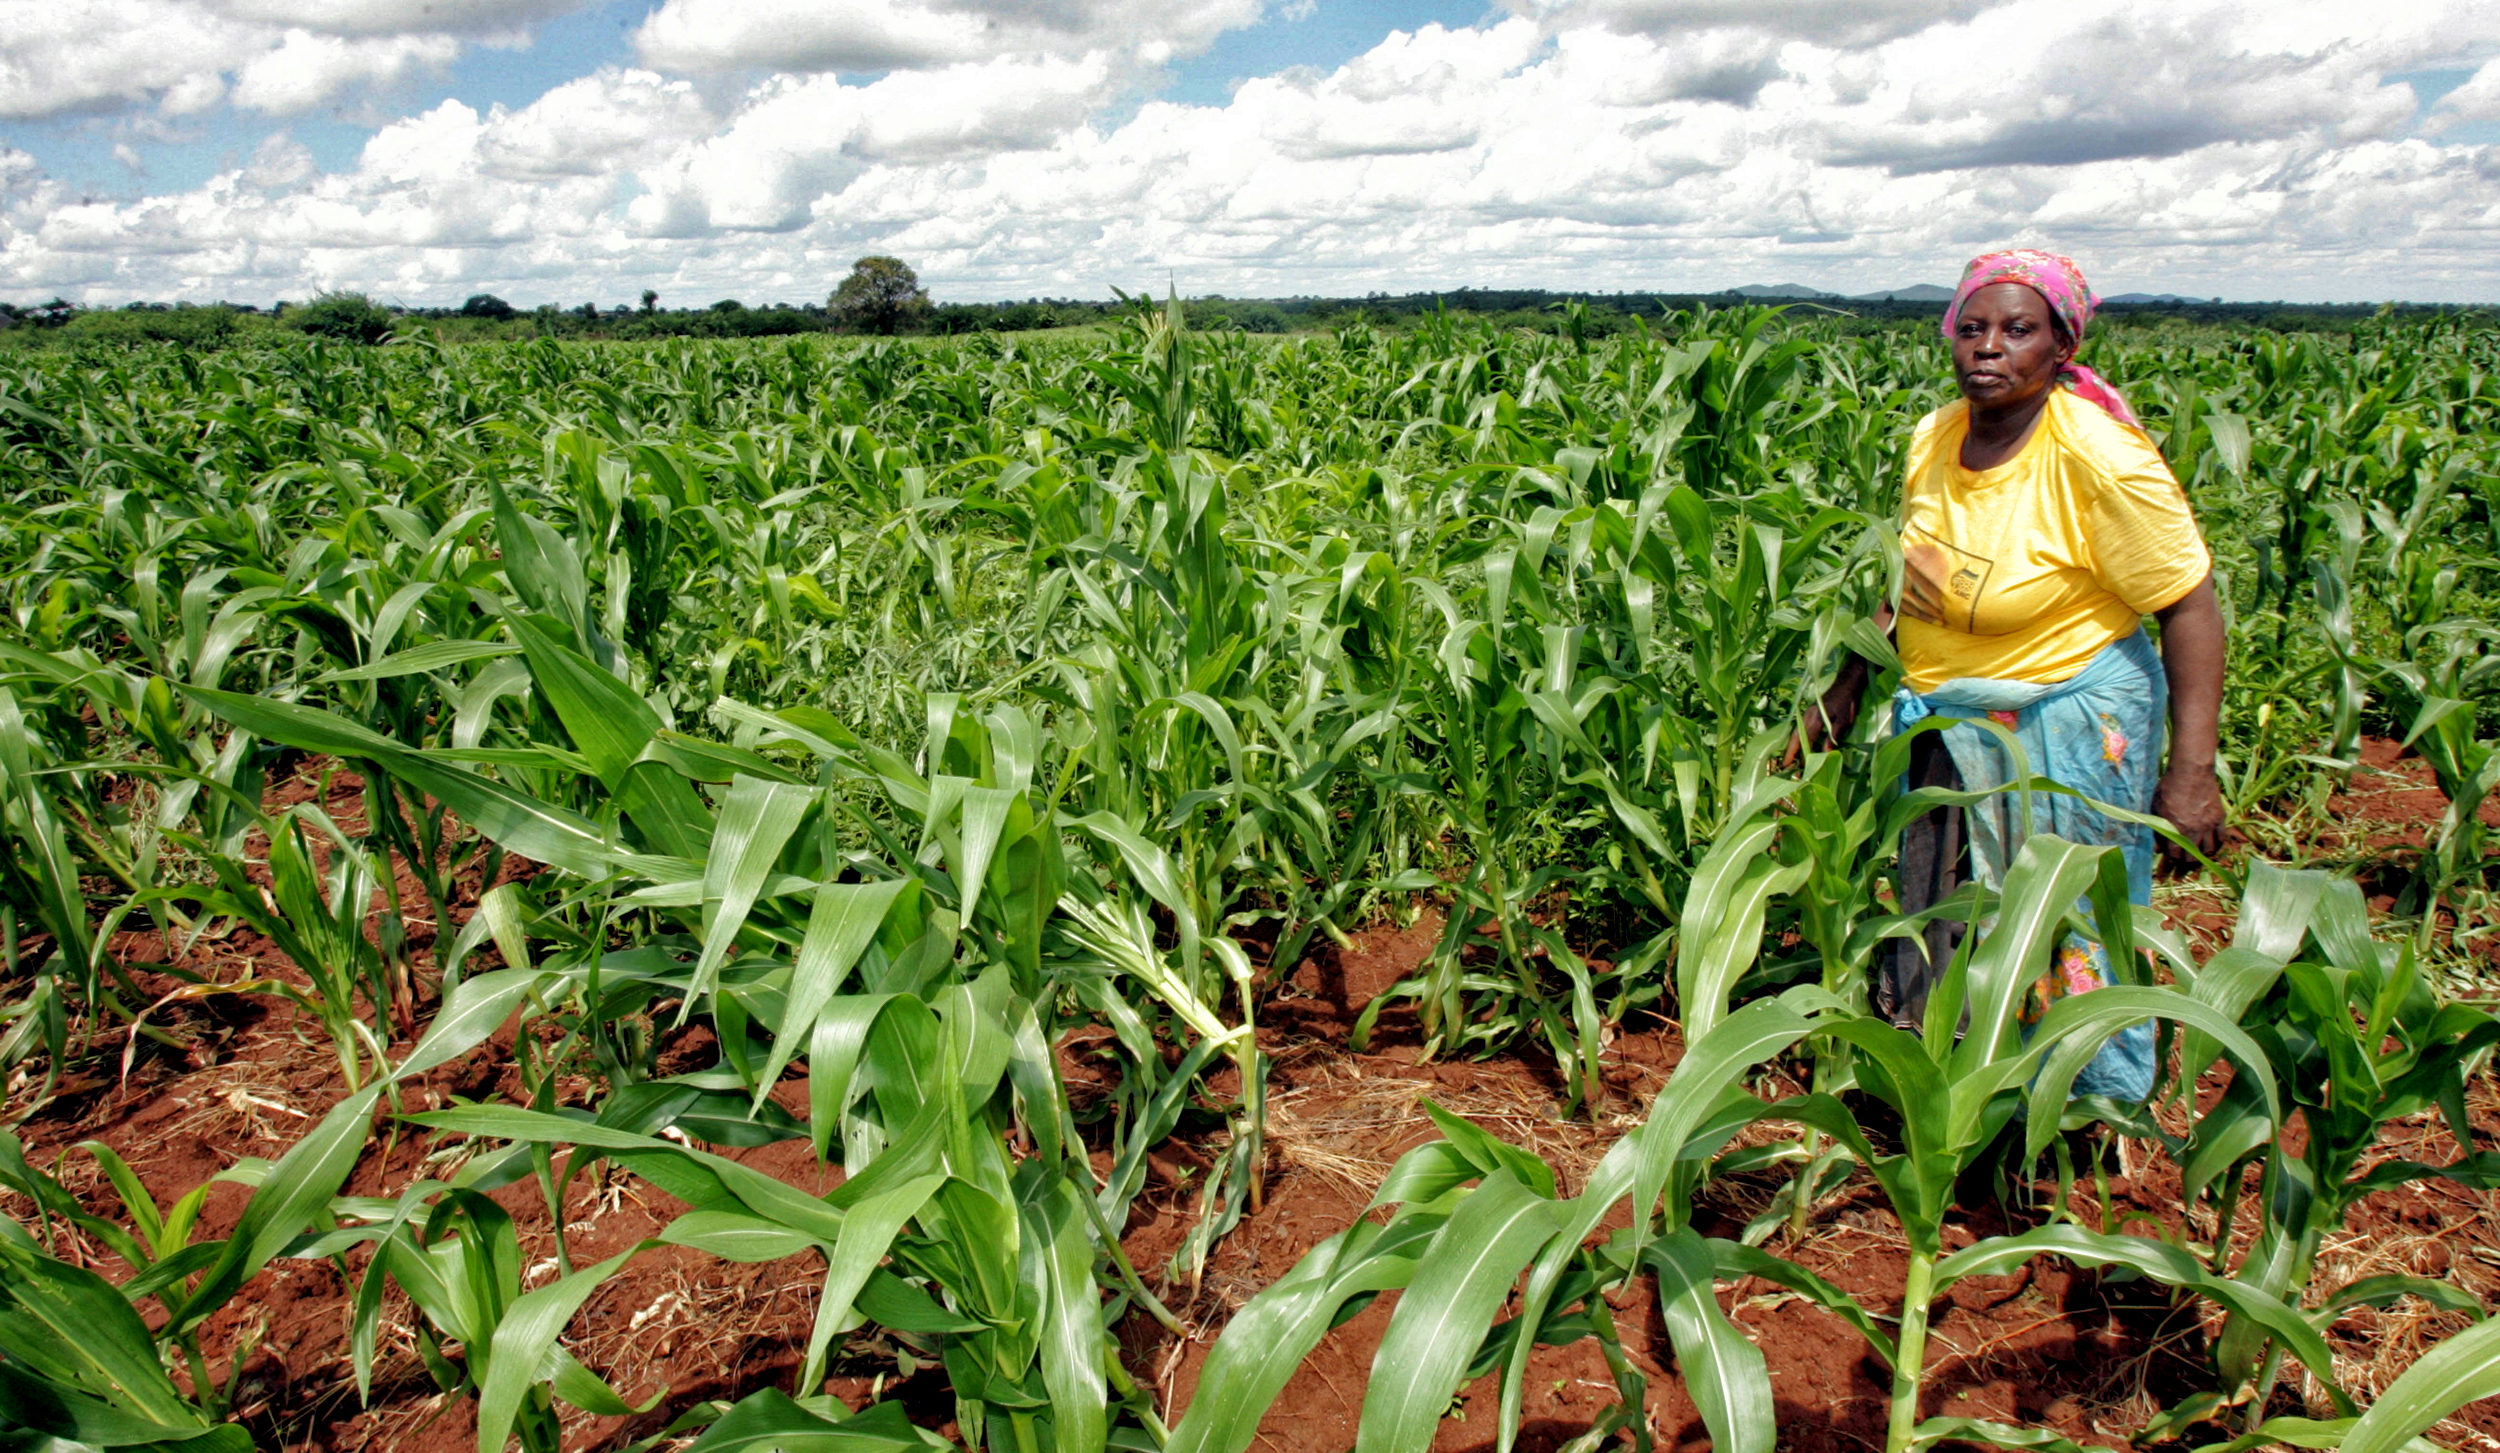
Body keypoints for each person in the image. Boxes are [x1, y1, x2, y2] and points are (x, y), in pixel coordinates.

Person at [1810, 248, 2226, 1103]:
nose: (1987, 348)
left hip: (2064, 717)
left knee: (2057, 920)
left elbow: (2188, 605)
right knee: (1938, 905)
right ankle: (1943, 1090)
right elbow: (1914, 577)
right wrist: (1846, 687)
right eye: (1971, 328)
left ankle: (2072, 1111)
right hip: (1946, 717)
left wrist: (2191, 773)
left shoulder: (2098, 457)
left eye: (2016, 329)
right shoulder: (1935, 437)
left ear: (2061, 345)